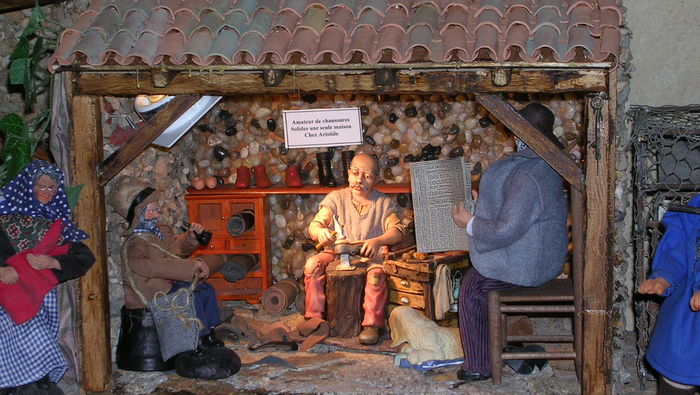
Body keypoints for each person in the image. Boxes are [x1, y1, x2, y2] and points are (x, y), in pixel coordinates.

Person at [451, 103, 568, 381]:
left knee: (474, 287)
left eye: (519, 132)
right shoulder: (536, 166)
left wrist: (469, 222)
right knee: (474, 281)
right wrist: (483, 207)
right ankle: (496, 347)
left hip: (529, 264)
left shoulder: (530, 174)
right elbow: (511, 209)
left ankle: (479, 366)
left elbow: (507, 229)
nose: (515, 137)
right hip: (531, 254)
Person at [0, 160, 95, 394]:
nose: (47, 192)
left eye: (52, 188)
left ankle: (36, 382)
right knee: (19, 340)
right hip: (7, 297)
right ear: (28, 186)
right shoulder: (4, 218)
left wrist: (53, 262)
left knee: (38, 336)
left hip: (41, 296)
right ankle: (16, 384)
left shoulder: (56, 223)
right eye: (41, 186)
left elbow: (84, 256)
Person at [108, 176, 224, 354]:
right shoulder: (135, 243)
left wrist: (191, 238)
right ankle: (196, 339)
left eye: (156, 209)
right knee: (191, 299)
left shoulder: (158, 231)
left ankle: (209, 332)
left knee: (206, 290)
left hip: (170, 283)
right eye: (152, 210)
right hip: (153, 290)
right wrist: (188, 267)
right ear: (139, 212)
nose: (156, 214)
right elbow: (148, 266)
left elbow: (175, 249)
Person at [304, 153, 405, 345]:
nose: (360, 179)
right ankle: (314, 319)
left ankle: (371, 325)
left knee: (376, 276)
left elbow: (398, 230)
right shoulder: (336, 198)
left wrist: (378, 240)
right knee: (312, 265)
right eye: (356, 173)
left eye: (367, 175)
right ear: (348, 174)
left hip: (370, 257)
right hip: (336, 253)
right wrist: (321, 232)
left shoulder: (383, 203)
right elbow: (315, 225)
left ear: (375, 179)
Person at [638, 194, 700, 395]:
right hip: (690, 317)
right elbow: (679, 248)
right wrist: (664, 277)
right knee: (679, 360)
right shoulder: (695, 208)